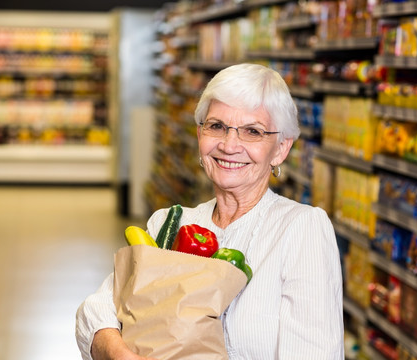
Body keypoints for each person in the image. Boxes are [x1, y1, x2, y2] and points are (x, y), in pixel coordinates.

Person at [76, 63, 344, 359]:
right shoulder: (169, 224)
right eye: (216, 126)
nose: (229, 145)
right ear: (200, 134)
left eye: (252, 131)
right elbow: (97, 311)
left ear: (280, 149)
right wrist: (118, 353)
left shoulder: (301, 229)